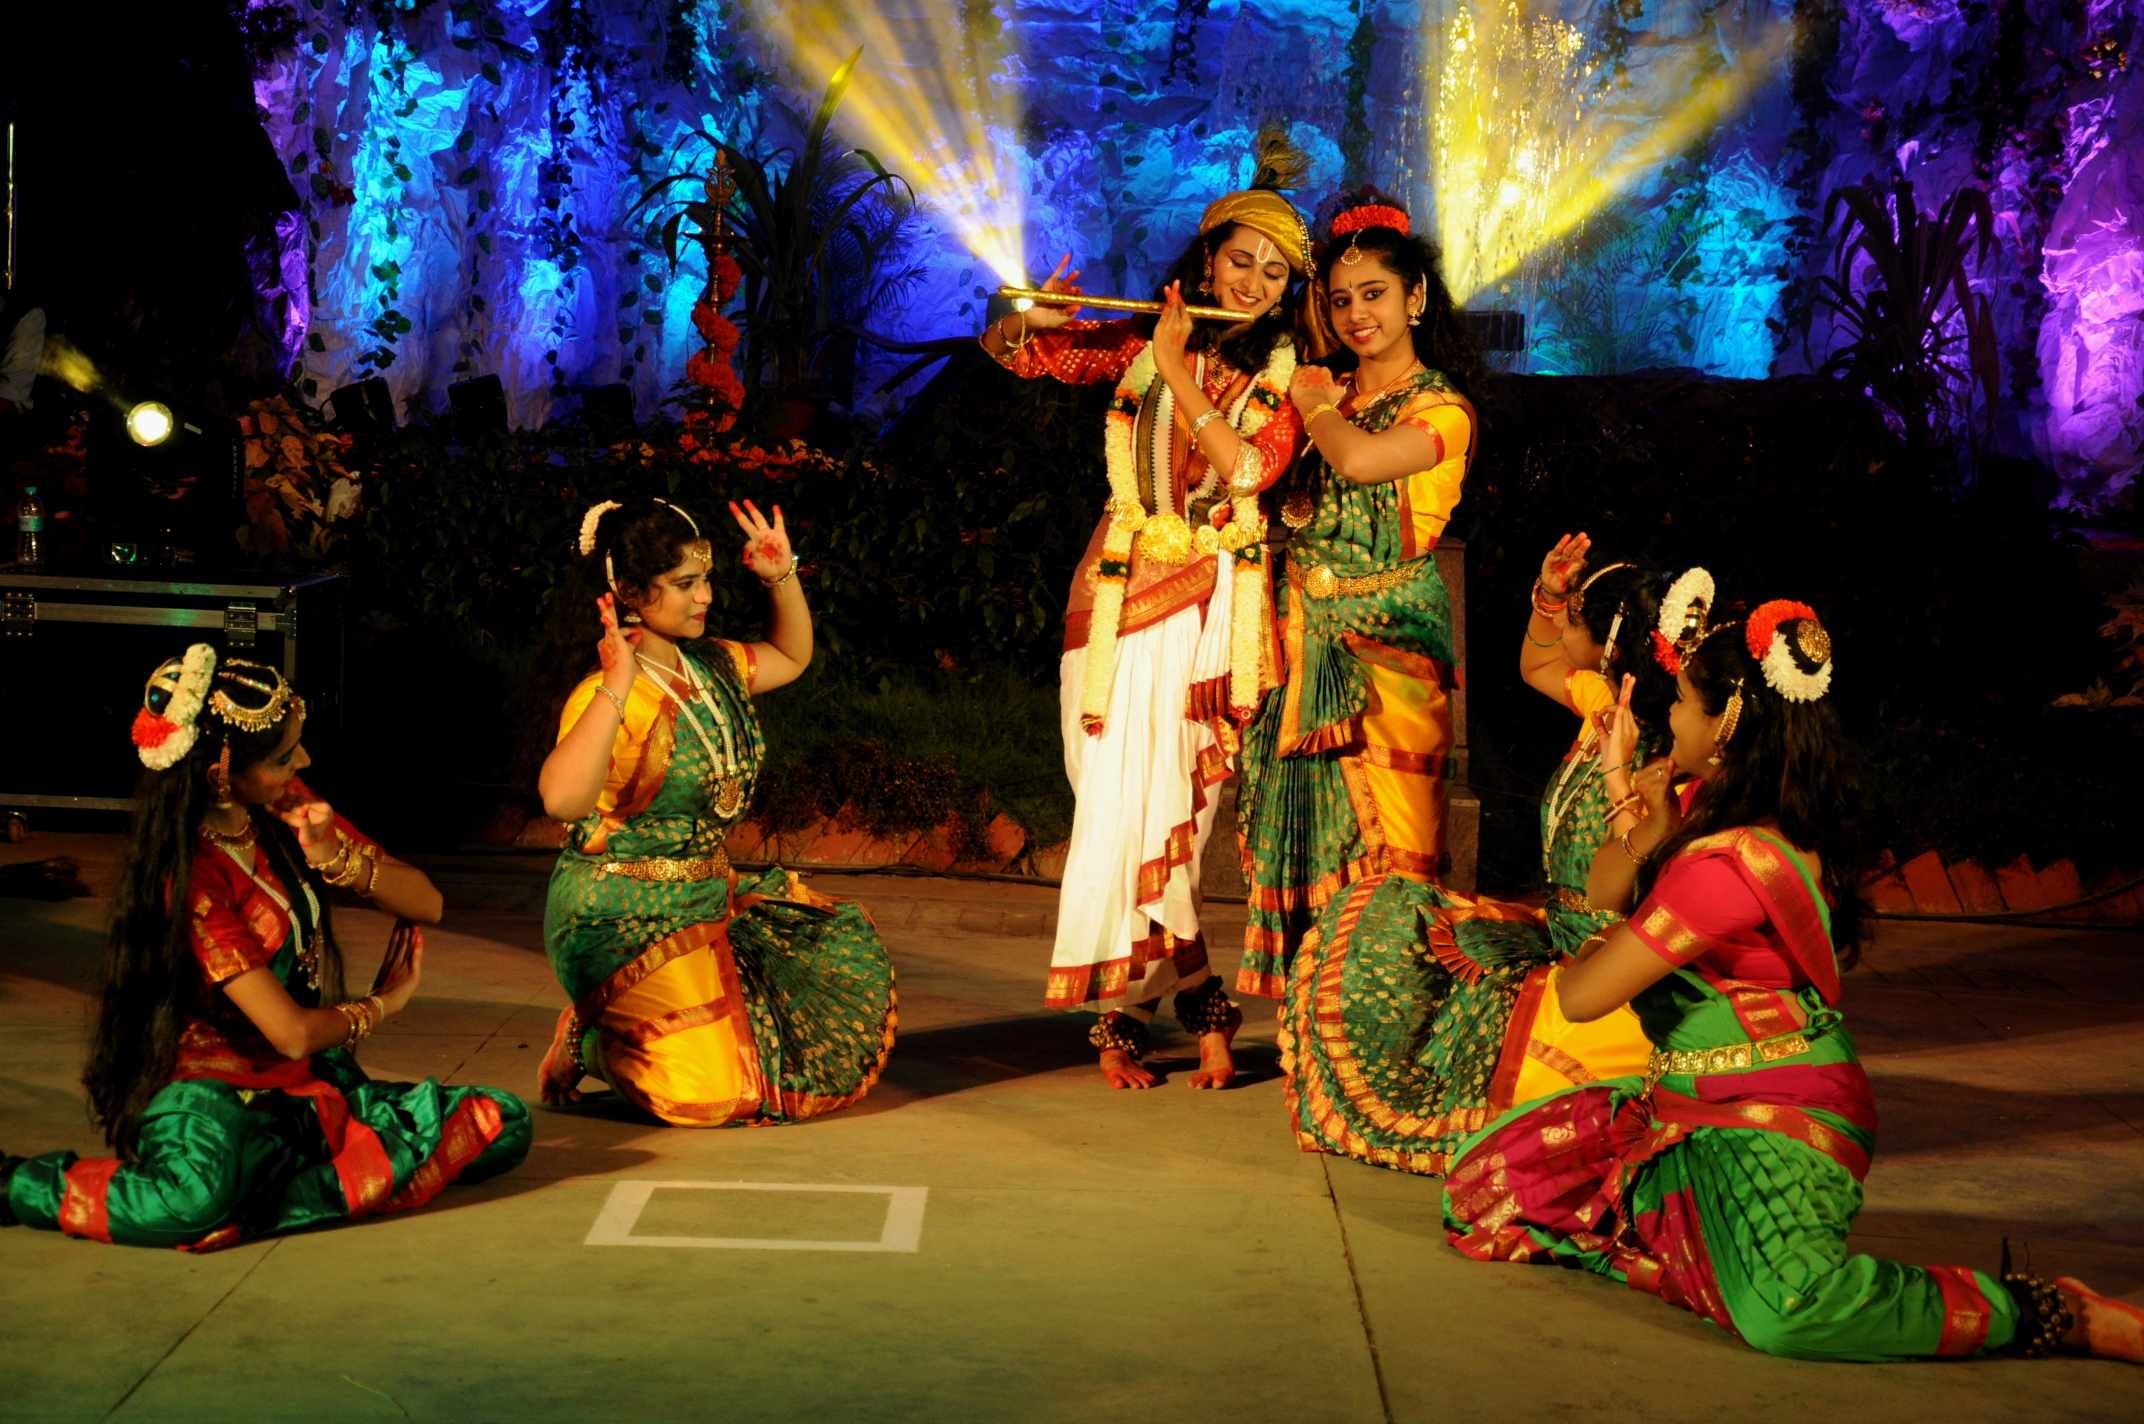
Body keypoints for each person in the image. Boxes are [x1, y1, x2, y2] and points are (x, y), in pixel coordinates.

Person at [1440, 596, 2144, 1363]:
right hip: (1691, 1101)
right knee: (1486, 1188)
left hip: (1774, 1112)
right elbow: (1607, 886)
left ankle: (2050, 1312)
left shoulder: (1729, 864)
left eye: (1682, 702)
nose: (1670, 717)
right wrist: (1628, 798)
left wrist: (1617, 925)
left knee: (1786, 1313)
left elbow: (1581, 997)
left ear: (1725, 727)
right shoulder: (1713, 809)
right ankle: (1702, 1245)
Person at [979, 127, 1321, 1089]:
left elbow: (1247, 470)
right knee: (1109, 808)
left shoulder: (1290, 380)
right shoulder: (1138, 346)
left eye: (1273, 274)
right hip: (1108, 599)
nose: (1252, 284)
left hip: (1210, 614)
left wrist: (1175, 366)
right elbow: (1020, 355)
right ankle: (1200, 1002)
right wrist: (1026, 315)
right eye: (1240, 261)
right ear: (1206, 260)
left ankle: (1126, 1017)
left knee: (1175, 815)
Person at [0, 648, 529, 1248]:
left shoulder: (281, 807)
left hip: (301, 1085)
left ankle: (267, 1194)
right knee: (193, 1200)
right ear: (219, 775)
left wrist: (333, 856)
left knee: (501, 1120)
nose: (302, 761)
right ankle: (16, 1183)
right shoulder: (191, 879)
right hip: (214, 1093)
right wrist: (383, 1004)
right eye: (284, 756)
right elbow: (292, 1033)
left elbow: (427, 904)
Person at [1276, 537, 1669, 1173]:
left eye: (1573, 618)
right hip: (1553, 937)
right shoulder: (1606, 703)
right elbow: (1539, 666)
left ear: (1610, 648)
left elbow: (1629, 891)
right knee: (1382, 911)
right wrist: (1548, 600)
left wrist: (1621, 780)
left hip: (1602, 967)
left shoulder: (1656, 760)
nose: (1564, 627)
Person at [535, 496, 895, 1125]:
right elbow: (561, 800)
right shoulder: (607, 694)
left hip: (704, 899)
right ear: (629, 592)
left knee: (777, 1055)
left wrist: (781, 577)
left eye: (705, 579)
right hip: (617, 916)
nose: (704, 597)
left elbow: (792, 658)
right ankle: (585, 1040)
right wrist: (617, 684)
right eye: (684, 584)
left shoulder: (711, 665)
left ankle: (643, 1025)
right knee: (711, 1095)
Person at [1236, 189, 1483, 1001]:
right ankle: (1317, 1017)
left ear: (1415, 297)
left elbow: (1361, 462)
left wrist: (1311, 403)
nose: (1356, 315)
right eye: (1340, 300)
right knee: (1311, 835)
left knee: (1396, 846)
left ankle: (1389, 1016)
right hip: (1304, 645)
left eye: (1374, 294)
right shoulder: (1327, 391)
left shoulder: (1442, 407)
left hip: (1389, 655)